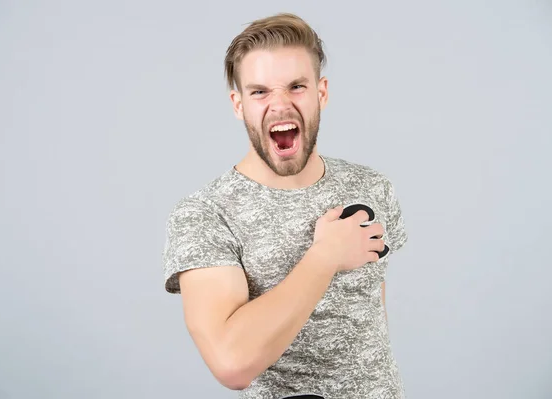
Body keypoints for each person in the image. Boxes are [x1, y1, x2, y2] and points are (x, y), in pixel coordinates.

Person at [161, 12, 409, 399]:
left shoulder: (371, 186)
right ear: (238, 104)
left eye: (296, 86)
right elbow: (231, 362)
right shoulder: (205, 214)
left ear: (321, 93)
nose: (279, 105)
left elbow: (369, 320)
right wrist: (325, 256)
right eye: (259, 91)